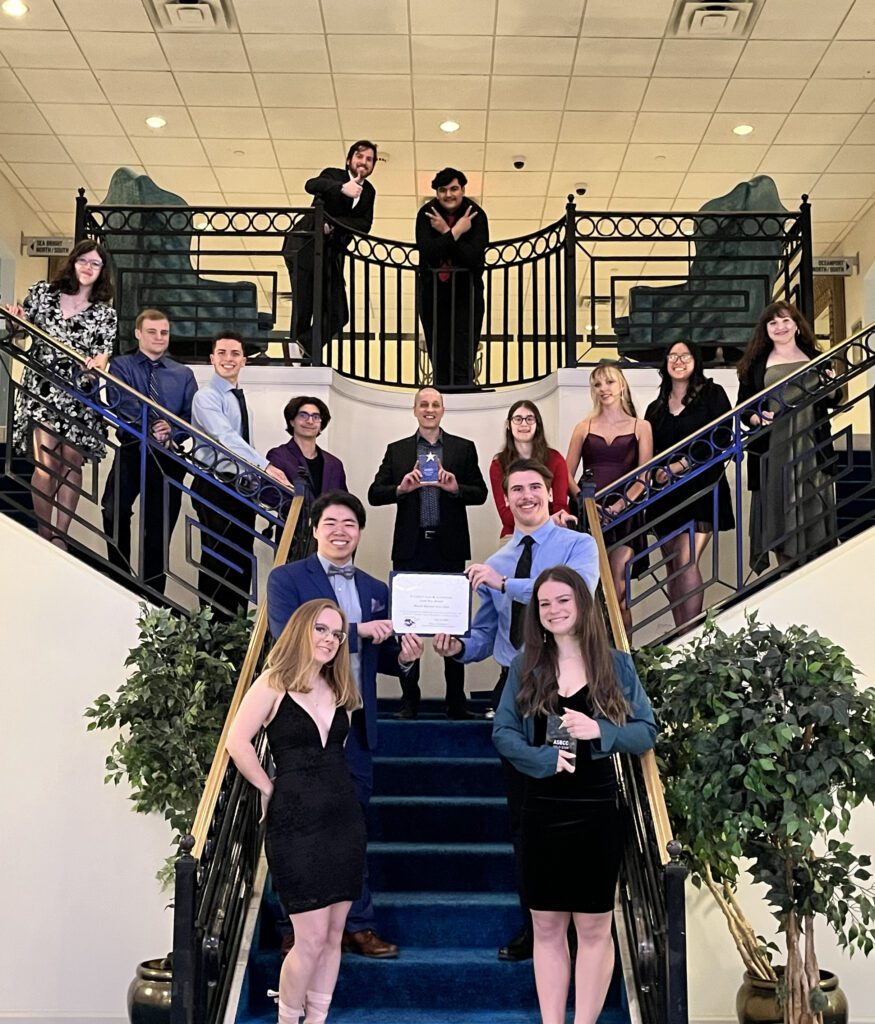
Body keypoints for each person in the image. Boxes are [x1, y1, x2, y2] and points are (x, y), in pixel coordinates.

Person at [432, 458, 599, 964]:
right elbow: (487, 634)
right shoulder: (496, 561)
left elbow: (577, 594)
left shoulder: (577, 545)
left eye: (534, 487)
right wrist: (458, 648)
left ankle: (581, 927)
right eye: (516, 490)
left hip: (572, 686)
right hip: (519, 689)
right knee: (525, 818)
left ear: (551, 492)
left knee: (573, 806)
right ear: (505, 500)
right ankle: (536, 924)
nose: (526, 496)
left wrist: (505, 585)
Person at [492, 565, 656, 1024]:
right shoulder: (525, 665)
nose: (553, 610)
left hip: (596, 810)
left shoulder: (616, 664)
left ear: (582, 603)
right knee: (546, 925)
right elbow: (503, 732)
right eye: (544, 603)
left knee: (593, 926)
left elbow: (646, 731)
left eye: (563, 600)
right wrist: (542, 760)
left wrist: (600, 730)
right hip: (542, 810)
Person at [267, 490, 423, 960]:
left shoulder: (376, 589)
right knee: (298, 829)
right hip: (304, 728)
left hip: (354, 727)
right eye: (331, 523)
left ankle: (358, 923)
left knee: (352, 829)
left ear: (360, 532)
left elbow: (385, 659)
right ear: (314, 529)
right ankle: (293, 924)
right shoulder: (287, 578)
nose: (340, 531)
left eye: (350, 524)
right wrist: (356, 632)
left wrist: (407, 658)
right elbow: (287, 637)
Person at [226, 598, 365, 1024]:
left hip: (344, 823)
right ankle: (288, 1019)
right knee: (310, 939)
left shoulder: (341, 689)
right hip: (295, 824)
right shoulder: (273, 682)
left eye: (337, 634)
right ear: (302, 629)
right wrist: (268, 786)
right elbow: (237, 741)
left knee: (334, 936)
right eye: (321, 629)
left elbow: (336, 754)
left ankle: (317, 1019)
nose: (330, 640)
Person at [368, 386, 488, 719]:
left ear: (443, 409)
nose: (429, 409)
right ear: (415, 410)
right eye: (424, 404)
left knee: (454, 624)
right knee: (408, 625)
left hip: (449, 548)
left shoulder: (463, 448)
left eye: (435, 404)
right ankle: (410, 700)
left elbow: (480, 493)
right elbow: (374, 494)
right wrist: (401, 489)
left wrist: (455, 489)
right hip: (411, 547)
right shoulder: (397, 450)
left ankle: (456, 701)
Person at [6, 239, 117, 549]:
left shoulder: (105, 314)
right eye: (83, 260)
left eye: (95, 264)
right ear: (73, 262)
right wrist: (17, 321)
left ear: (102, 271)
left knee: (71, 461)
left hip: (79, 395)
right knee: (46, 464)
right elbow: (21, 334)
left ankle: (60, 536)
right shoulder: (43, 294)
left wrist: (97, 365)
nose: (88, 267)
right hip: (42, 389)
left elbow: (102, 356)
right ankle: (45, 533)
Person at [190, 330, 291, 617]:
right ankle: (214, 626)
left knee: (242, 556)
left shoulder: (238, 398)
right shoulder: (205, 397)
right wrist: (266, 467)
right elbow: (226, 438)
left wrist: (257, 479)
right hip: (215, 484)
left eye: (235, 353)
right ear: (212, 358)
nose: (228, 359)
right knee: (218, 556)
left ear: (244, 360)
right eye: (222, 353)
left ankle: (237, 625)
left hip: (241, 487)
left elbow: (244, 444)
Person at [736, 301, 838, 574]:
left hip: (812, 446)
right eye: (773, 322)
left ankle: (814, 578)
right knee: (779, 516)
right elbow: (743, 409)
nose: (780, 327)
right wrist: (757, 418)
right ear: (765, 329)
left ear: (797, 325)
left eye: (785, 321)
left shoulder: (816, 357)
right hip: (774, 451)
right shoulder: (755, 364)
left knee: (814, 512)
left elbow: (834, 397)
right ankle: (787, 574)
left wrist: (831, 384)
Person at [101, 309, 197, 596]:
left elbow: (190, 417)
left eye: (164, 332)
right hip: (133, 450)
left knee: (159, 528)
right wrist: (153, 426)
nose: (159, 337)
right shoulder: (121, 365)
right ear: (138, 333)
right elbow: (122, 402)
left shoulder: (183, 374)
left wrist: (172, 431)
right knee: (113, 510)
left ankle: (153, 595)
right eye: (152, 332)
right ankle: (120, 579)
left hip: (168, 458)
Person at [644, 340, 735, 628]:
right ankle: (679, 634)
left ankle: (691, 633)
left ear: (696, 361)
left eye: (685, 356)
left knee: (686, 561)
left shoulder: (712, 394)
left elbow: (723, 436)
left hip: (701, 489)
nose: (678, 361)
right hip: (665, 495)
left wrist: (682, 465)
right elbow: (649, 453)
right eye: (673, 356)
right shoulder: (655, 408)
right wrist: (657, 473)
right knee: (672, 567)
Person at [566, 364, 653, 636]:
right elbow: (565, 475)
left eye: (609, 382)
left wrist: (619, 507)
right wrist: (585, 502)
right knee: (590, 590)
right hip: (590, 514)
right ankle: (597, 651)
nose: (604, 389)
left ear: (622, 385)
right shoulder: (583, 427)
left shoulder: (641, 426)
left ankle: (624, 652)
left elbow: (644, 475)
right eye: (597, 384)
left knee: (618, 588)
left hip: (625, 516)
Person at [282, 141, 378, 360]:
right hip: (304, 247)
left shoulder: (369, 192)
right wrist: (342, 188)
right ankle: (298, 360)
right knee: (304, 307)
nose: (363, 162)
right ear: (349, 159)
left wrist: (333, 224)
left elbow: (364, 224)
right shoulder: (334, 175)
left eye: (369, 159)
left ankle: (301, 347)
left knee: (339, 314)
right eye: (359, 156)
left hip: (331, 255)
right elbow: (311, 185)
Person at [415, 167, 488, 389]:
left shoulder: (476, 214)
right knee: (437, 346)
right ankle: (440, 391)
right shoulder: (426, 213)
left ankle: (463, 389)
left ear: (463, 189)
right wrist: (455, 232)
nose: (449, 195)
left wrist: (444, 233)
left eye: (454, 189)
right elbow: (429, 252)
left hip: (467, 292)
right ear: (437, 193)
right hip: (433, 292)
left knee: (465, 345)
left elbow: (473, 258)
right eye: (443, 190)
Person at [489, 399, 572, 539]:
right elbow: (505, 515)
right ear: (508, 424)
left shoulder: (555, 459)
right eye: (518, 419)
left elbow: (560, 505)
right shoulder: (498, 465)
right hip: (514, 535)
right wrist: (544, 522)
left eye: (529, 419)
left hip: (550, 533)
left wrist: (549, 524)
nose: (524, 424)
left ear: (537, 425)